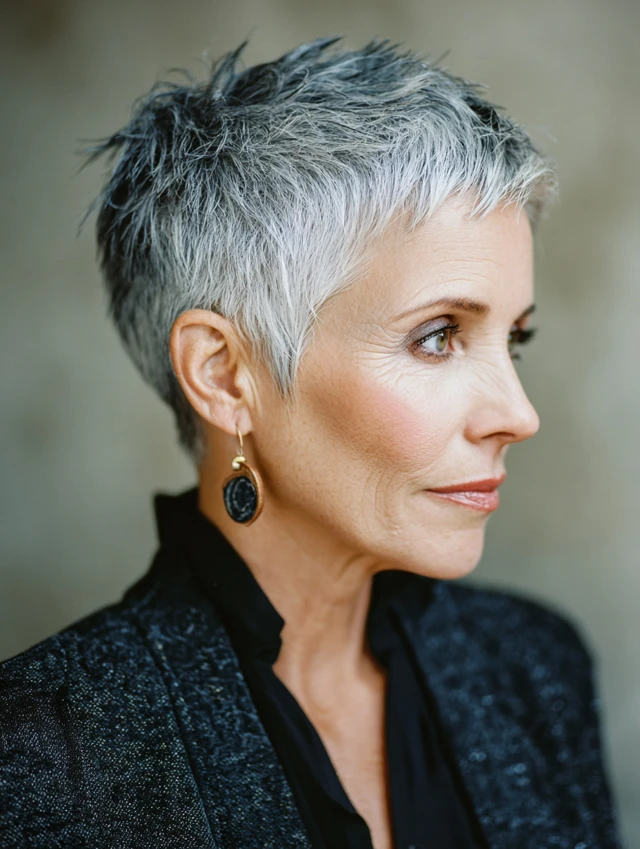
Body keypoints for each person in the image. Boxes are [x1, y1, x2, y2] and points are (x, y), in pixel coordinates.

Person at [0, 37, 622, 849]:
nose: (519, 413)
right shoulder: (43, 757)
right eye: (438, 336)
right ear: (224, 375)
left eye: (515, 340)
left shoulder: (534, 667)